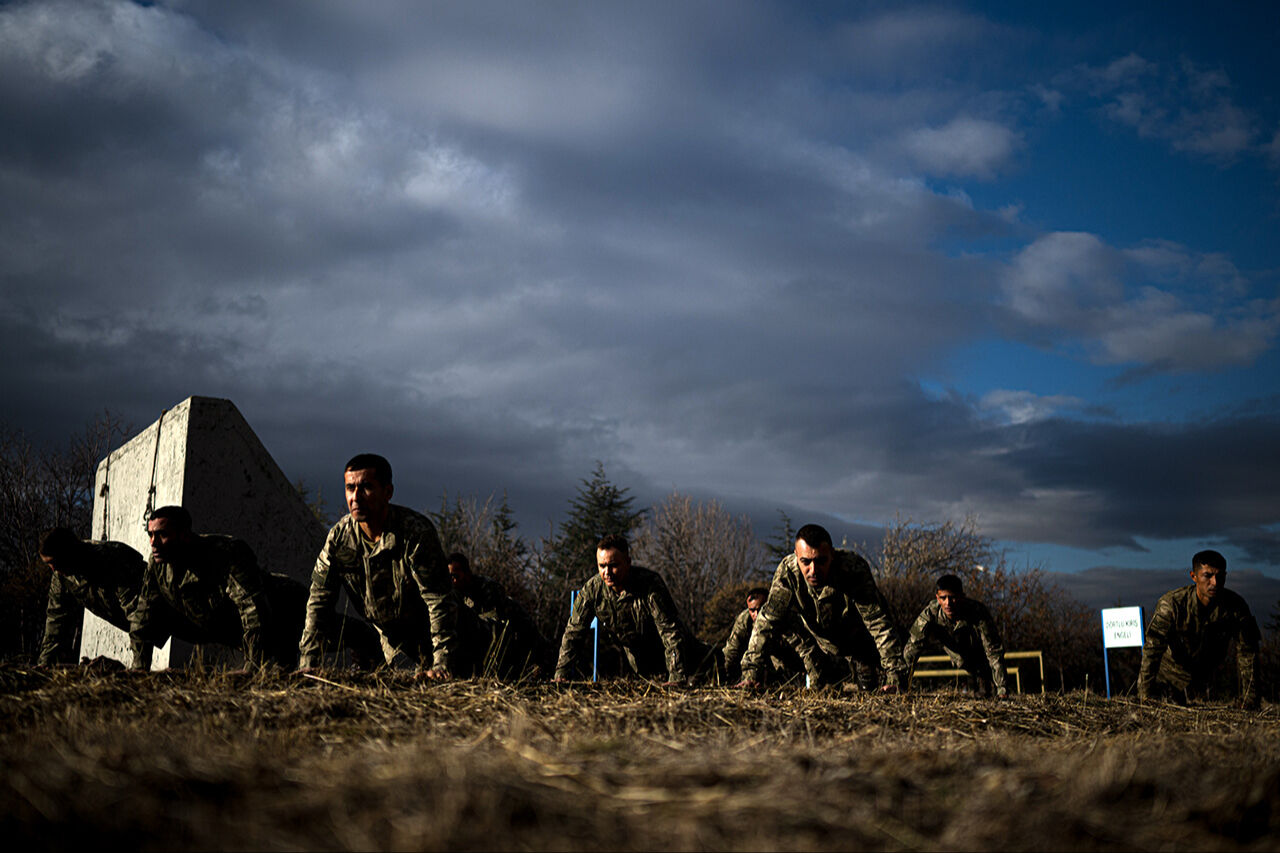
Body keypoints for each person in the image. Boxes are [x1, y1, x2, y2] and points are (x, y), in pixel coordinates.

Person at [298, 454, 458, 678]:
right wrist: (308, 663)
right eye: (350, 488)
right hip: (393, 641)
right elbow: (319, 600)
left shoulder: (414, 533)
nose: (356, 497)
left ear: (388, 492)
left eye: (366, 488)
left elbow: (439, 601)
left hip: (442, 636)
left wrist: (443, 664)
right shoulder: (339, 538)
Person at [738, 523, 907, 691]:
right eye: (805, 562)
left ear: (832, 555)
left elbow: (878, 622)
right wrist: (751, 675)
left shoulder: (853, 569)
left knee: (870, 689)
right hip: (819, 642)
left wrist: (894, 674)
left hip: (859, 639)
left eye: (820, 561)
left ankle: (868, 670)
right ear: (796, 556)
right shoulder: (787, 574)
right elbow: (766, 623)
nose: (813, 570)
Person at [130, 505, 296, 668]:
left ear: (185, 535)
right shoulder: (157, 564)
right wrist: (139, 669)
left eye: (162, 535)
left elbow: (253, 609)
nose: (153, 542)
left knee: (284, 676)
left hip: (287, 613)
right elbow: (143, 618)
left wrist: (254, 665)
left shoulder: (225, 553)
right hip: (234, 627)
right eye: (150, 534)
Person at [555, 533, 717, 684]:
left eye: (613, 565)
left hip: (689, 660)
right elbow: (573, 633)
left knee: (723, 667)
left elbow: (670, 632)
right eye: (602, 566)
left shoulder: (650, 585)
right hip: (645, 668)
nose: (607, 572)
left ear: (628, 563)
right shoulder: (592, 590)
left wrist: (676, 676)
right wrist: (561, 674)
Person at [1138, 550, 1261, 708]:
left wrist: (1250, 701)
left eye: (1220, 576)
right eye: (1207, 576)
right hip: (1171, 680)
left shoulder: (1236, 607)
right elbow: (1152, 650)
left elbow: (1248, 652)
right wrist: (1145, 697)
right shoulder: (1172, 604)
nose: (1215, 582)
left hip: (1211, 683)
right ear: (1193, 576)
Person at [37, 527, 151, 668]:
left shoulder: (112, 559)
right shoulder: (62, 576)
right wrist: (44, 666)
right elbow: (55, 621)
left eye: (55, 562)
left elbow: (138, 614)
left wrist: (139, 669)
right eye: (48, 564)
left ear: (69, 551)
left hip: (170, 609)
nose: (53, 569)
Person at [903, 574, 1008, 697]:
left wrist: (1002, 689)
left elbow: (994, 651)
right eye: (943, 598)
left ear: (962, 597)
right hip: (958, 657)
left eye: (952, 598)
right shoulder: (930, 614)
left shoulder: (978, 612)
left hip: (981, 657)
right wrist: (899, 685)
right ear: (937, 598)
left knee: (986, 696)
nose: (948, 603)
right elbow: (912, 650)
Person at [447, 551, 549, 678]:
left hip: (524, 641)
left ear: (467, 574)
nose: (452, 581)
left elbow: (496, 630)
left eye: (455, 576)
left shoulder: (488, 588)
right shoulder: (455, 593)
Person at [721, 586, 805, 684]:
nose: (756, 614)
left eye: (760, 609)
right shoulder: (744, 620)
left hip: (786, 662)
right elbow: (732, 650)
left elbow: (801, 647)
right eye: (752, 610)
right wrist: (724, 675)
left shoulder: (782, 618)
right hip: (755, 660)